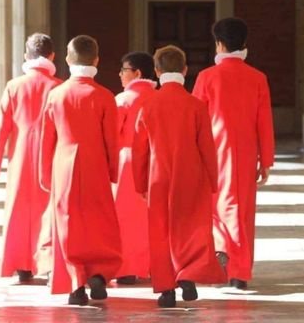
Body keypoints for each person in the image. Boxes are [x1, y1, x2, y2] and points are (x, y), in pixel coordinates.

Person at [132, 45, 227, 308]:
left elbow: (140, 150)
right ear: (185, 70)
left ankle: (166, 290)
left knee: (160, 231)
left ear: (157, 70)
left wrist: (140, 183)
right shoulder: (196, 105)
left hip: (158, 176)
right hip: (191, 175)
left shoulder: (147, 104)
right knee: (191, 229)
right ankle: (187, 275)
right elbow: (207, 146)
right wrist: (212, 179)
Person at [39, 34, 122, 306]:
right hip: (95, 163)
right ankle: (99, 271)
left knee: (67, 222)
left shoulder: (56, 95)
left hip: (63, 165)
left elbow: (46, 138)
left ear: (67, 59)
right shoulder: (105, 96)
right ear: (96, 60)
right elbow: (112, 141)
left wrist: (44, 174)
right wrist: (113, 172)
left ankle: (75, 281)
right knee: (99, 221)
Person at [192, 17, 275, 290]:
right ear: (244, 43)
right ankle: (240, 270)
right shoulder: (258, 78)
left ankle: (220, 257)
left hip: (213, 151)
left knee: (214, 208)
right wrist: (267, 160)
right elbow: (264, 121)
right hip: (246, 152)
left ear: (219, 44)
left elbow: (196, 119)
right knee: (243, 210)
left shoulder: (206, 77)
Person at [0, 33, 62, 283]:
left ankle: (22, 265)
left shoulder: (13, 86)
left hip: (19, 156)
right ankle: (48, 263)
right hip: (49, 156)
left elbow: (3, 127)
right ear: (52, 56)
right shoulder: (58, 86)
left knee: (19, 209)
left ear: (25, 57)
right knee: (47, 210)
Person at [114, 52, 156, 285]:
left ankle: (126, 268)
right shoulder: (158, 97)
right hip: (156, 161)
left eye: (124, 70)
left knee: (126, 218)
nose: (120, 74)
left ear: (137, 73)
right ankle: (151, 265)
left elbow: (111, 135)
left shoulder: (123, 99)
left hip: (127, 163)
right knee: (152, 218)